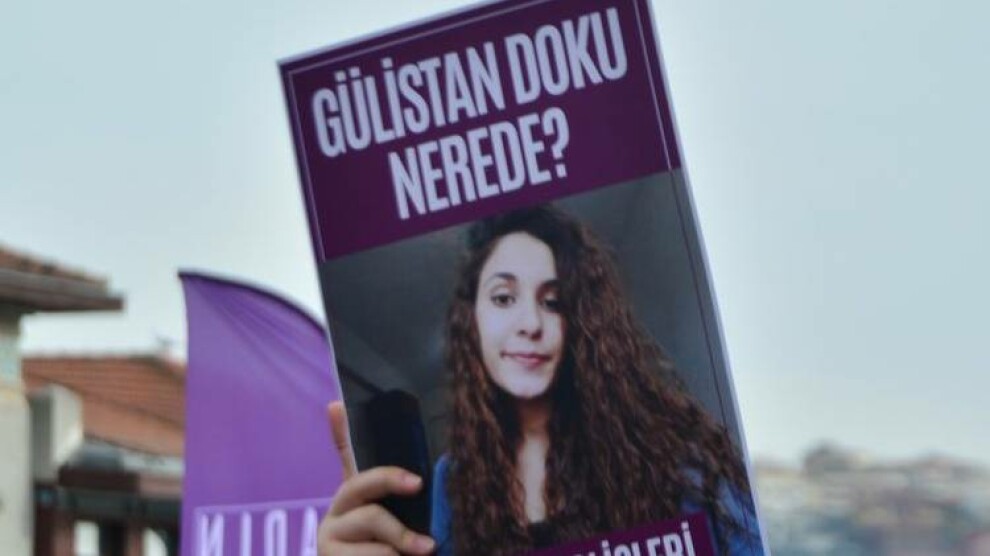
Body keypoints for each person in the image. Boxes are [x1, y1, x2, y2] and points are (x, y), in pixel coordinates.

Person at [319, 206, 763, 556]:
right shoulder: (453, 480)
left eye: (553, 302)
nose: (530, 323)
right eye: (504, 298)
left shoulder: (674, 452)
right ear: (472, 323)